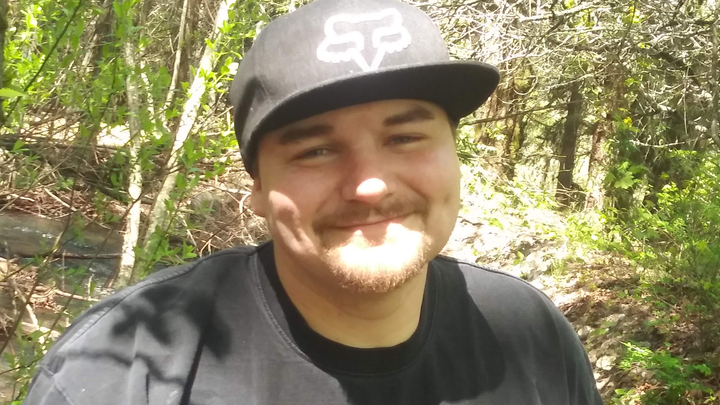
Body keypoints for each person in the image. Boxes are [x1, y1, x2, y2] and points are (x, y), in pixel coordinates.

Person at [24, 0, 604, 404]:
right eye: (317, 150)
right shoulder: (124, 368)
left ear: (454, 155)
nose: (369, 185)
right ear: (257, 185)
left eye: (405, 138)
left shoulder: (530, 334)